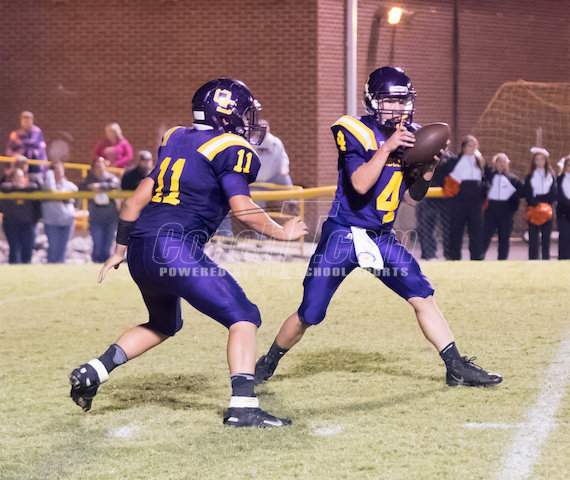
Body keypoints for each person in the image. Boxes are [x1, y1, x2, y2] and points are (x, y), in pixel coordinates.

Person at [69, 78, 308, 428]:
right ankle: (243, 407)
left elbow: (134, 202)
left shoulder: (176, 138)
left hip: (140, 249)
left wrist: (119, 250)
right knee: (244, 316)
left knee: (164, 323)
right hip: (174, 247)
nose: (247, 121)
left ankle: (94, 371)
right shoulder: (230, 147)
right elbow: (242, 209)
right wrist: (281, 232)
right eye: (243, 114)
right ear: (225, 116)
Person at [254, 67, 502, 390]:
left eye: (402, 101)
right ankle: (269, 361)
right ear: (372, 101)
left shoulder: (411, 135)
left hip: (381, 237)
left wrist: (428, 170)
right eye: (390, 100)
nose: (398, 108)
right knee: (309, 313)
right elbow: (359, 184)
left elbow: (411, 199)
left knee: (422, 296)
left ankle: (455, 366)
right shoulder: (354, 129)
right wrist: (387, 148)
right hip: (343, 234)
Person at [446, 135, 487, 260]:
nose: (473, 148)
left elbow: (485, 177)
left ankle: (476, 257)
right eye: (470, 145)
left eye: (475, 145)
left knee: (476, 229)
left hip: (475, 200)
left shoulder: (480, 161)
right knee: (456, 229)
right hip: (459, 199)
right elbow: (445, 174)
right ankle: (454, 257)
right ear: (464, 147)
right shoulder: (455, 160)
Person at [481, 153, 523, 260]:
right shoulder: (489, 176)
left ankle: (502, 260)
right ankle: (479, 257)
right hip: (491, 208)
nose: (501, 164)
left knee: (504, 237)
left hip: (506, 210)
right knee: (486, 235)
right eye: (499, 161)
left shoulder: (512, 178)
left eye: (504, 161)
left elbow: (522, 192)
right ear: (495, 163)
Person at [80, 157, 120, 263]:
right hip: (96, 219)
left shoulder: (111, 178)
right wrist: (91, 185)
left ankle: (105, 267)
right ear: (93, 168)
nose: (99, 168)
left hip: (111, 218)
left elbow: (115, 184)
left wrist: (99, 186)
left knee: (107, 248)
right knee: (97, 247)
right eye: (97, 166)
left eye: (101, 166)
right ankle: (96, 265)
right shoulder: (89, 179)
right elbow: (82, 188)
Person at [0, 166, 41, 263]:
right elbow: (4, 187)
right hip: (11, 224)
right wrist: (17, 187)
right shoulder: (8, 189)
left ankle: (26, 268)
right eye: (17, 176)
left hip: (27, 223)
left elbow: (35, 187)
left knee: (27, 248)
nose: (20, 179)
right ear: (13, 179)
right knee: (14, 248)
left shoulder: (30, 190)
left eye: (22, 176)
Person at [42, 161, 78, 263]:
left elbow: (76, 191)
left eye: (60, 170)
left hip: (67, 221)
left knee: (63, 249)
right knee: (53, 249)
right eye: (55, 170)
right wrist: (49, 176)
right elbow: (51, 189)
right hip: (52, 221)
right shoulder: (47, 186)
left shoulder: (68, 185)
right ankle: (51, 268)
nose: (58, 172)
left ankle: (60, 268)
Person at [524, 147, 557, 260]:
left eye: (542, 159)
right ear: (534, 161)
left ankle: (546, 259)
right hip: (534, 208)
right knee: (533, 237)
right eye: (537, 159)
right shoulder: (530, 176)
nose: (540, 162)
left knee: (546, 237)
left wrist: (545, 202)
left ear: (546, 161)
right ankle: (533, 259)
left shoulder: (551, 175)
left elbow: (554, 192)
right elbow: (528, 192)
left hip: (547, 209)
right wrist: (535, 202)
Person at [556, 157, 570, 260]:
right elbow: (557, 194)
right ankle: (563, 258)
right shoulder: (559, 179)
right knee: (564, 234)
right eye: (569, 165)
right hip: (563, 212)